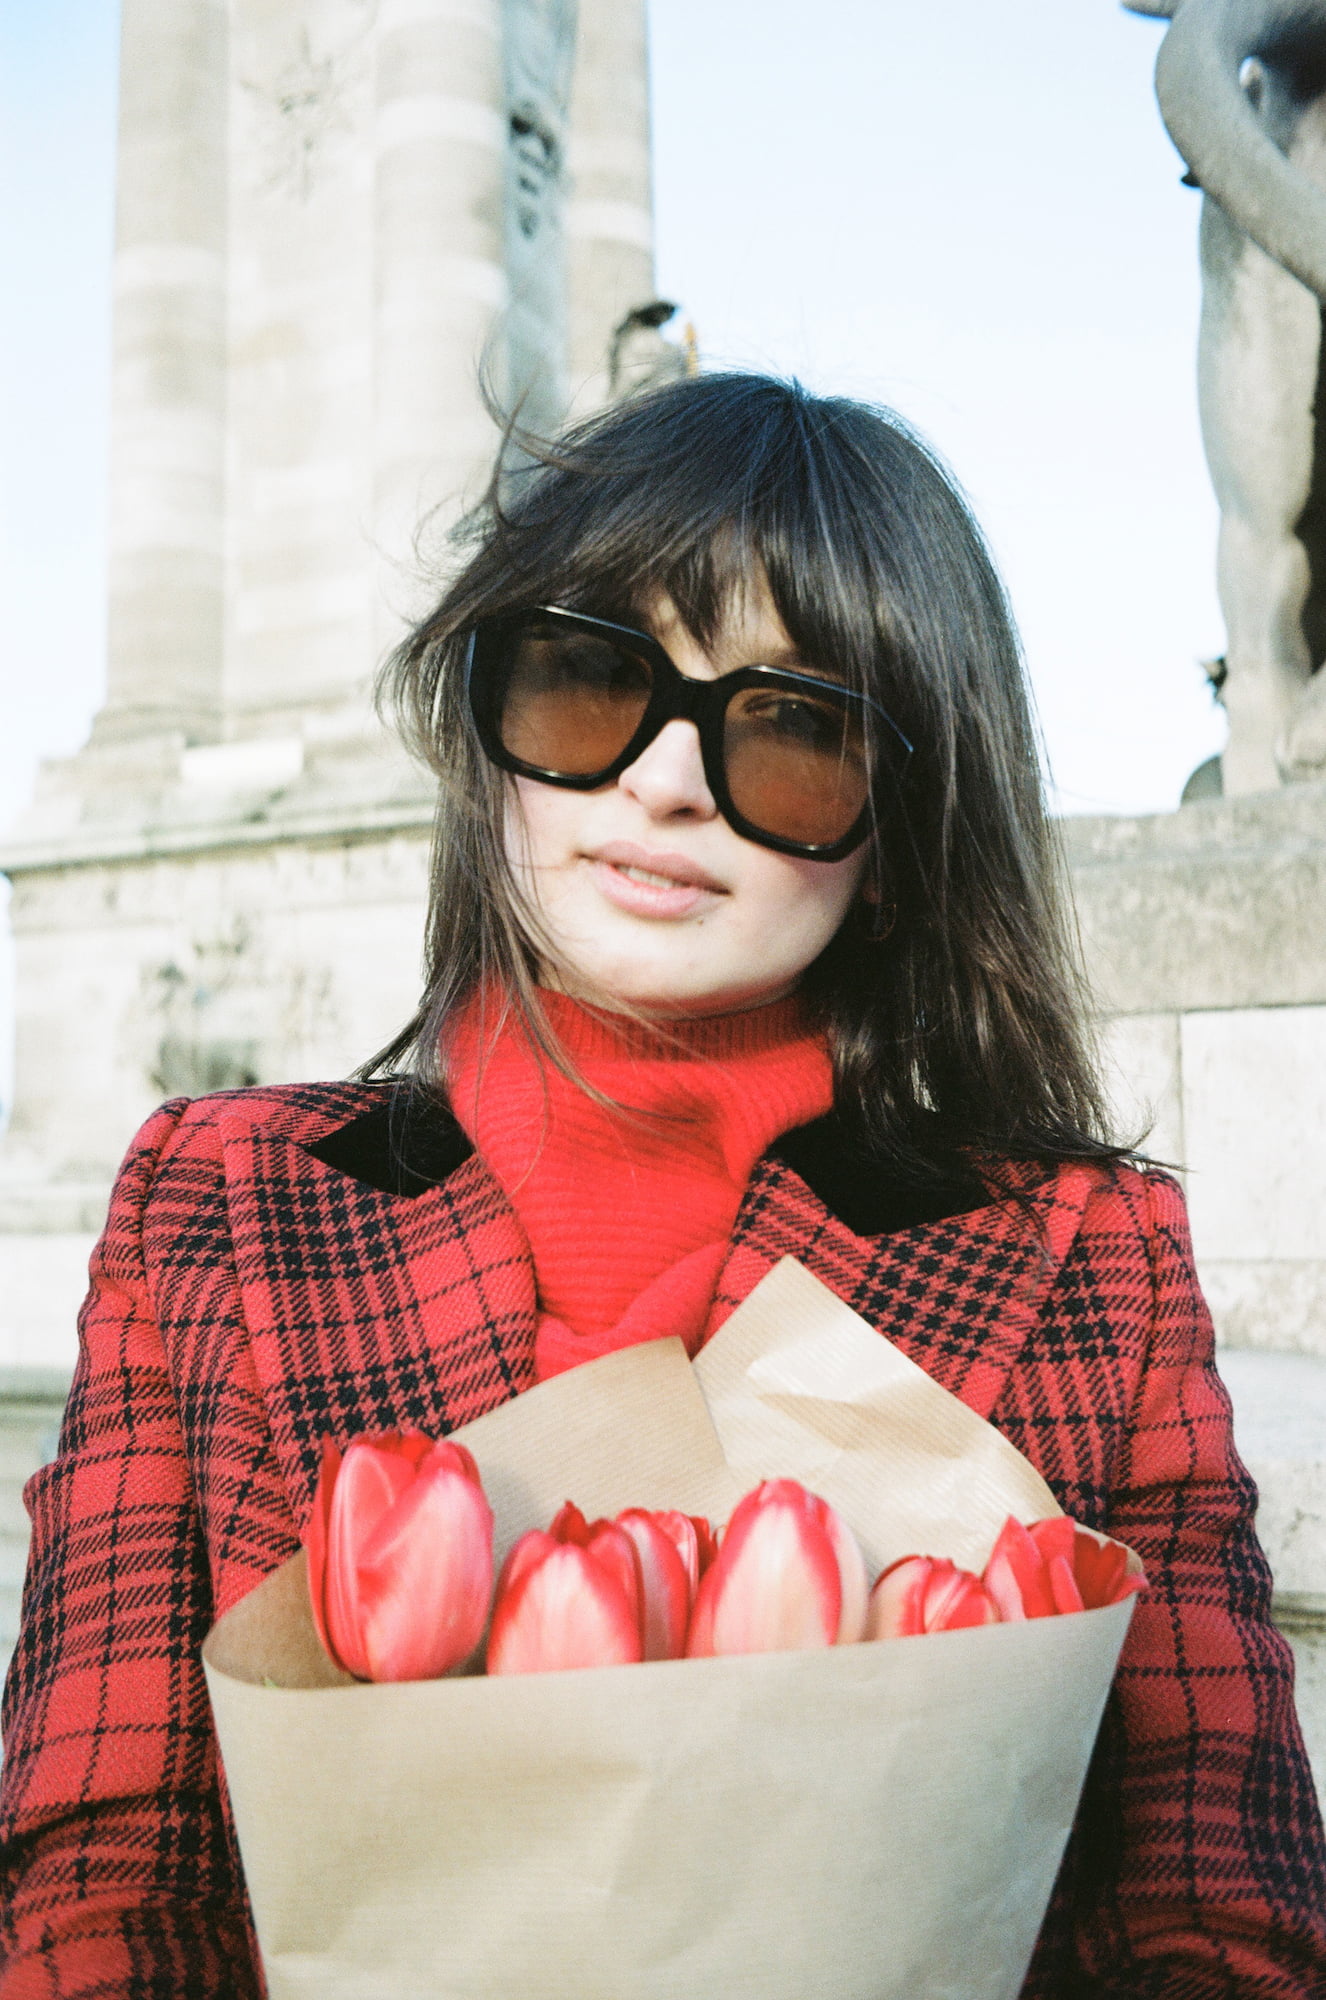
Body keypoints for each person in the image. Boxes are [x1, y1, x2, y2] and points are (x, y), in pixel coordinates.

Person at [1, 373, 1323, 1997]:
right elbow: (102, 1885)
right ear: (487, 733)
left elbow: (1216, 1905)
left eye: (793, 728)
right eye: (587, 678)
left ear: (900, 834)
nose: (667, 779)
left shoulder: (1089, 1253)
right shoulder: (212, 1198)